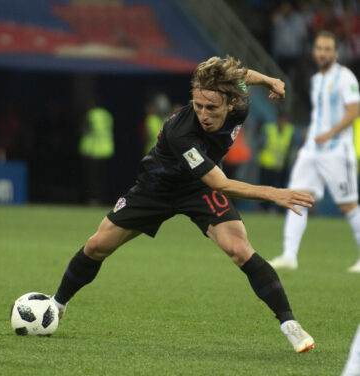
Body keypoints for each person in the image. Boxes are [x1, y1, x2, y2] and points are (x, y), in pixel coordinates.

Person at [51, 56, 316, 353]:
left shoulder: (238, 97)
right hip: (157, 187)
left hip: (197, 187)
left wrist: (271, 81)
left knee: (239, 249)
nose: (203, 113)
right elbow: (221, 184)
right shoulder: (182, 132)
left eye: (211, 108)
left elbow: (243, 76)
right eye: (198, 105)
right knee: (97, 246)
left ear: (231, 102)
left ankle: (290, 325)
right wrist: (273, 193)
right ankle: (56, 305)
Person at [269, 31, 360, 272]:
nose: (322, 53)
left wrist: (330, 133)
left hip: (336, 151)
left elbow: (354, 110)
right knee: (296, 197)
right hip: (311, 151)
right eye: (319, 48)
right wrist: (313, 132)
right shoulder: (317, 79)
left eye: (327, 49)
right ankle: (289, 255)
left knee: (348, 205)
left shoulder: (344, 77)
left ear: (336, 53)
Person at [79, 99, 114, 204]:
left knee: (93, 179)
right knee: (102, 178)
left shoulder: (91, 115)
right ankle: (102, 198)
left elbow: (84, 130)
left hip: (94, 150)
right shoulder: (107, 115)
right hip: (106, 149)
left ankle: (93, 199)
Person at [257, 112, 295, 212]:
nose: (283, 122)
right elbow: (261, 144)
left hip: (281, 165)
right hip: (267, 163)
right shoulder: (269, 129)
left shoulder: (290, 131)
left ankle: (274, 209)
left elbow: (291, 148)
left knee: (278, 187)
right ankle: (262, 207)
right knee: (264, 187)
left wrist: (288, 161)